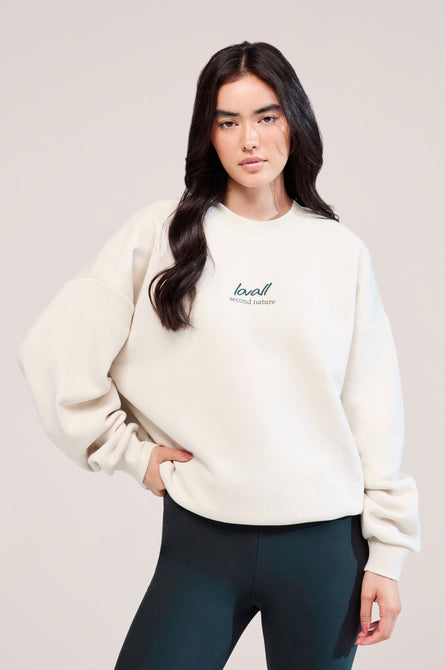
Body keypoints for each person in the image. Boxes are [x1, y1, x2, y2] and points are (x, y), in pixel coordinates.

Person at [16, 40, 421, 669]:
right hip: (202, 543)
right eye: (227, 122)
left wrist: (387, 558)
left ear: (295, 122)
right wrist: (131, 454)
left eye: (266, 117)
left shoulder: (339, 252)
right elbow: (54, 351)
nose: (249, 139)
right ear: (208, 134)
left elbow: (374, 412)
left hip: (324, 549)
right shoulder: (162, 234)